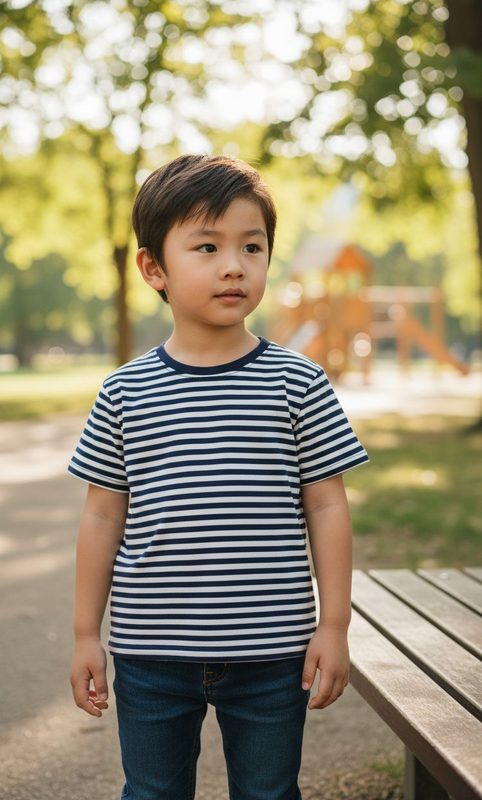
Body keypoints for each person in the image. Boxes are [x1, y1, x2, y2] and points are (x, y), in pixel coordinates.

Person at [67, 153, 370, 800]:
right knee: (151, 792)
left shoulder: (296, 382)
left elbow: (327, 507)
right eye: (206, 246)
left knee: (267, 793)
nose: (234, 265)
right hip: (151, 651)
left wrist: (334, 625)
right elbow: (100, 515)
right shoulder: (125, 392)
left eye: (252, 247)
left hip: (271, 653)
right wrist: (85, 635)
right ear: (154, 268)